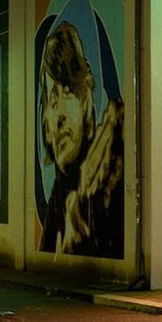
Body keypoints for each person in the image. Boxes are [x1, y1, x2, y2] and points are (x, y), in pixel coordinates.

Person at [38, 20, 124, 257]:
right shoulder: (56, 206)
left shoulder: (106, 183)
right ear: (45, 125)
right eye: (53, 101)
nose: (60, 116)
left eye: (68, 92)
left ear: (86, 102)